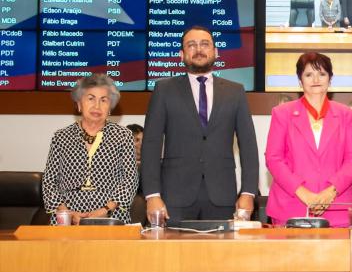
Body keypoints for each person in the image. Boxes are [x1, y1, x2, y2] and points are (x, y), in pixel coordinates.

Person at [141, 26, 259, 223]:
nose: (199, 49)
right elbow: (151, 145)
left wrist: (248, 193)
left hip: (222, 196)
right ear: (181, 54)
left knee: (221, 254)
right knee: (175, 254)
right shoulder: (164, 89)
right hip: (175, 197)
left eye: (205, 44)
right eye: (191, 45)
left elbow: (248, 146)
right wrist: (152, 195)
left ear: (215, 52)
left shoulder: (235, 92)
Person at [265, 52, 352, 227]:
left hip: (337, 207)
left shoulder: (346, 115)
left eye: (322, 74)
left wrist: (330, 193)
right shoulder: (282, 114)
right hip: (291, 207)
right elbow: (274, 159)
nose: (316, 79)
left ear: (330, 79)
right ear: (300, 81)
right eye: (309, 74)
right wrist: (303, 193)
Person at [42, 74, 138, 225]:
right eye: (91, 98)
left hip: (110, 215)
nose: (97, 106)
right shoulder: (61, 137)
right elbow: (49, 182)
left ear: (110, 107)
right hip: (67, 217)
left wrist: (105, 209)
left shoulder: (123, 136)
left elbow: (130, 179)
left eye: (103, 100)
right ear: (79, 104)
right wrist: (66, 212)